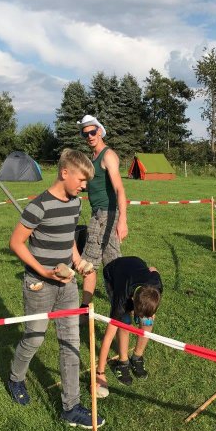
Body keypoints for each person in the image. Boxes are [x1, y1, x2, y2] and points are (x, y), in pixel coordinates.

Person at [7, 149, 105, 428]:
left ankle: (71, 407)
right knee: (35, 338)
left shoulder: (75, 204)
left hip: (68, 286)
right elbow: (16, 243)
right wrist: (42, 271)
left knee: (70, 343)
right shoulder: (38, 206)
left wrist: (77, 260)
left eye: (87, 182)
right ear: (65, 173)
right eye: (82, 180)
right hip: (39, 285)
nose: (84, 186)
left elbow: (68, 238)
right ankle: (16, 378)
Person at [77, 115, 128, 306]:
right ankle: (117, 305)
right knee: (106, 263)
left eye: (92, 131)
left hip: (107, 215)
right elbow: (95, 186)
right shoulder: (93, 158)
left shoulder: (108, 155)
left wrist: (122, 220)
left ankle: (118, 307)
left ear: (100, 131)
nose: (89, 136)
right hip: (97, 214)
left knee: (95, 262)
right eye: (85, 134)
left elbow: (120, 189)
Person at [95, 256, 163, 398]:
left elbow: (153, 270)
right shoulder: (122, 299)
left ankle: (137, 358)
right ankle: (123, 362)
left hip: (137, 264)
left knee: (148, 323)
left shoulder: (156, 285)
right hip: (114, 273)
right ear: (132, 300)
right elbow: (108, 338)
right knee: (125, 323)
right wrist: (100, 373)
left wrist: (147, 316)